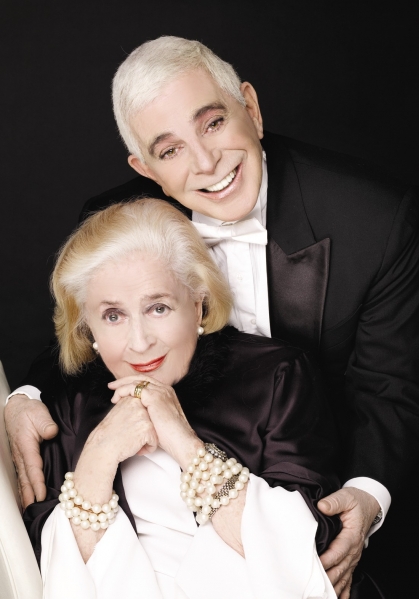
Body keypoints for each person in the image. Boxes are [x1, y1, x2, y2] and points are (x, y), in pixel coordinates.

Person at [5, 36, 419, 597]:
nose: (206, 163)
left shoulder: (374, 219)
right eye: (170, 150)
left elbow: (392, 386)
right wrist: (24, 396)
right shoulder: (121, 219)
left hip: (312, 478)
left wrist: (366, 495)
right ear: (145, 168)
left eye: (213, 123)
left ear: (250, 107)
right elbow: (85, 332)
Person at [24, 197, 347, 598]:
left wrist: (184, 443)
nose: (139, 342)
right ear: (87, 327)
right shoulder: (69, 405)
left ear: (198, 305)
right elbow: (45, 564)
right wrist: (99, 454)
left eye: (158, 308)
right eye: (113, 316)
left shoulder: (277, 375)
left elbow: (309, 546)